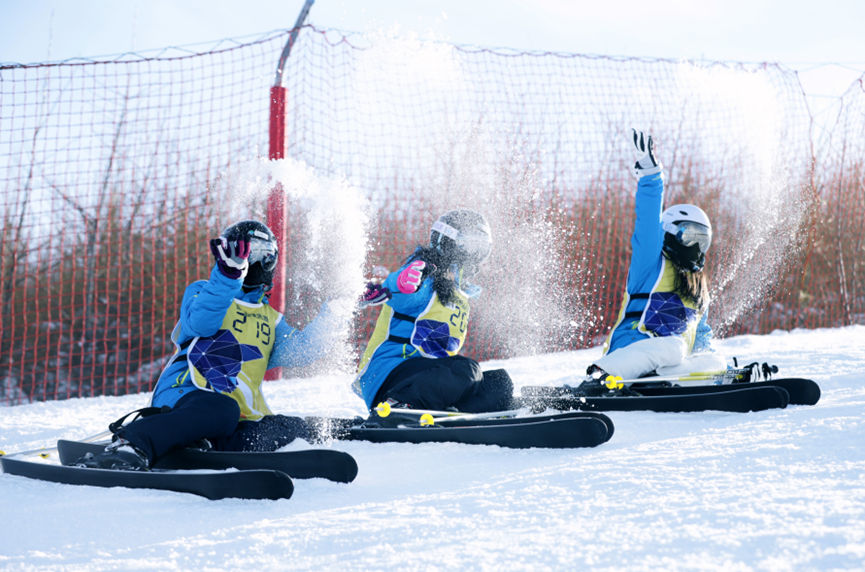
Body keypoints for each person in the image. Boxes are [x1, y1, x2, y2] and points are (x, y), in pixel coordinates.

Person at [77, 220, 345, 470]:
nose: (253, 261)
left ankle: (196, 446)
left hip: (233, 416)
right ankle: (130, 444)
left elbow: (304, 351)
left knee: (288, 426)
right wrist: (228, 278)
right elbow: (201, 323)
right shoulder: (203, 291)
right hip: (187, 393)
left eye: (263, 254)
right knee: (223, 410)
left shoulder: (271, 320)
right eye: (246, 253)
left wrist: (335, 312)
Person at [582, 129, 727, 386]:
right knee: (673, 347)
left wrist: (727, 376)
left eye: (702, 240)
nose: (695, 246)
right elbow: (648, 222)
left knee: (714, 361)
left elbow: (701, 340)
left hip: (666, 369)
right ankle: (599, 377)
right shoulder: (651, 265)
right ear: (670, 233)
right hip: (626, 357)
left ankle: (666, 385)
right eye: (688, 235)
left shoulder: (697, 291)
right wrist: (651, 176)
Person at [354, 208, 514, 415]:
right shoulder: (426, 273)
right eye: (469, 244)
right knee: (467, 369)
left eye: (481, 247)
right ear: (447, 242)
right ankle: (400, 407)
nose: (475, 254)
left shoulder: (459, 293)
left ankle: (453, 415)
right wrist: (401, 283)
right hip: (391, 375)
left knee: (499, 383)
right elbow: (401, 294)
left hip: (429, 378)